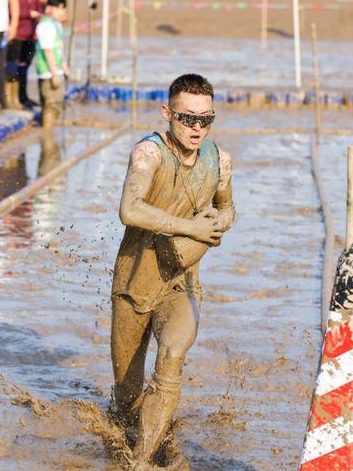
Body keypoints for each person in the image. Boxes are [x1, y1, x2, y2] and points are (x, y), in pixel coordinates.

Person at [110, 73, 235, 467]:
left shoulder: (220, 159)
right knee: (127, 394)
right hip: (134, 282)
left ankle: (142, 460)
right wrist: (190, 227)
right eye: (187, 118)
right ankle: (130, 436)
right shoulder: (148, 154)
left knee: (172, 355)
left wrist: (219, 222)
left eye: (205, 119)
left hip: (182, 284)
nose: (197, 128)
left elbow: (229, 206)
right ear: (167, 113)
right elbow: (129, 210)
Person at [5, 0, 43, 109]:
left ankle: (23, 97)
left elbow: (39, 8)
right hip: (16, 35)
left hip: (30, 36)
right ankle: (9, 99)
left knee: (24, 67)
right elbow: (10, 10)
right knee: (12, 67)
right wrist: (29, 14)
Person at [34, 0, 66, 132]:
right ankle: (47, 137)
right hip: (48, 72)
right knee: (50, 105)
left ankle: (50, 133)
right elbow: (47, 51)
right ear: (52, 8)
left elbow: (58, 48)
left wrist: (64, 66)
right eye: (61, 9)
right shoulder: (45, 26)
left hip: (56, 70)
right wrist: (54, 73)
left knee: (56, 104)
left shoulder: (56, 24)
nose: (63, 12)